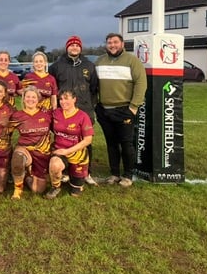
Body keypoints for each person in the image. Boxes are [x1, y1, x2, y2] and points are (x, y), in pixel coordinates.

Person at [95, 33, 147, 188]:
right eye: (109, 42)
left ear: (122, 44)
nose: (112, 45)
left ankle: (128, 175)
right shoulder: (99, 61)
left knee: (126, 144)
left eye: (115, 42)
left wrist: (133, 106)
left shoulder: (132, 61)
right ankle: (114, 173)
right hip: (104, 110)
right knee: (111, 144)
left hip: (125, 109)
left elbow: (141, 83)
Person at [48, 36, 98, 185]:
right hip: (63, 110)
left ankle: (87, 173)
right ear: (67, 47)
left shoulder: (89, 65)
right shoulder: (57, 66)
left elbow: (95, 88)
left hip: (84, 109)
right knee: (62, 139)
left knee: (85, 142)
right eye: (71, 45)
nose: (74, 47)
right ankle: (64, 171)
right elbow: (52, 88)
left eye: (77, 45)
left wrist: (90, 106)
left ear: (81, 48)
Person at [45, 89, 94, 199]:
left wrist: (67, 151)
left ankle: (71, 176)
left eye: (66, 98)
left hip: (77, 154)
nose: (63, 102)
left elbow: (88, 140)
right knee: (55, 164)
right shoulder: (56, 113)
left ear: (74, 99)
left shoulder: (83, 116)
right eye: (61, 99)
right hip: (59, 150)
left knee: (75, 193)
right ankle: (56, 186)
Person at [9, 86, 53, 199]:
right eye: (27, 97)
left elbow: (58, 130)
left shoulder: (46, 114)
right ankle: (18, 189)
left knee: (37, 190)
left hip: (42, 153)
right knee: (18, 157)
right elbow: (7, 133)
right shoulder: (17, 115)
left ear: (38, 99)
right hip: (25, 149)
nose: (30, 99)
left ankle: (28, 175)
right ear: (23, 99)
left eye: (33, 97)